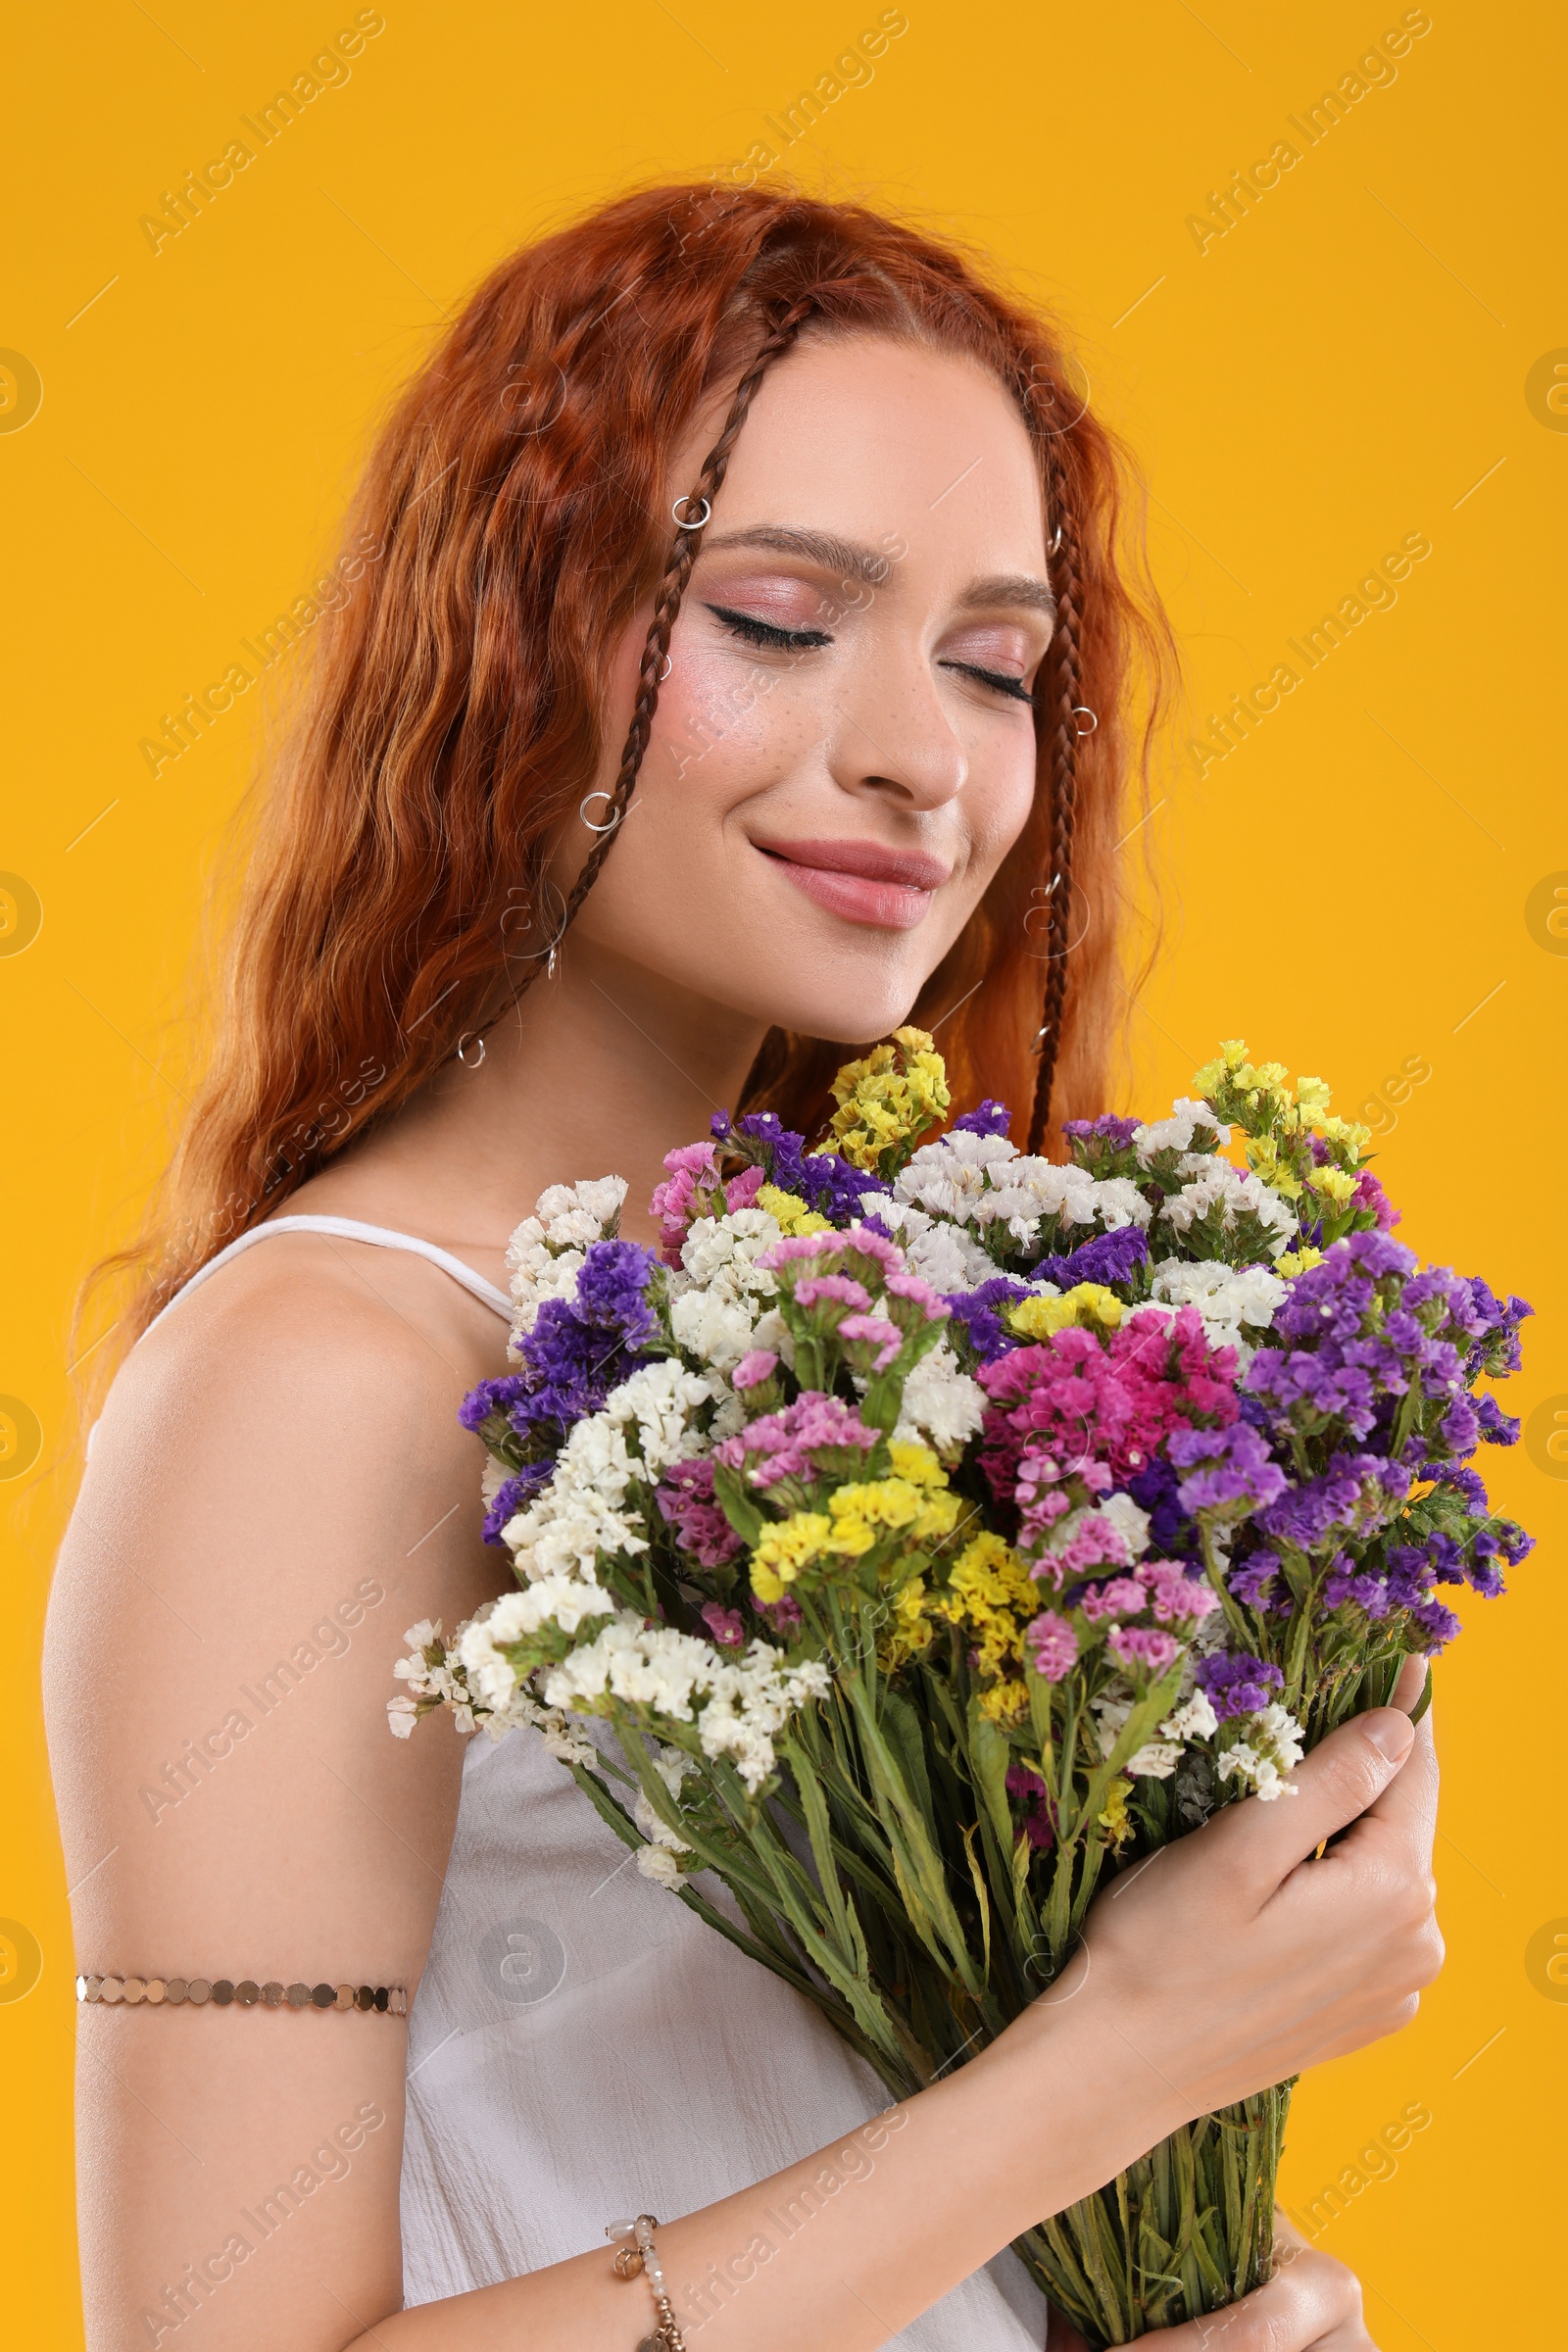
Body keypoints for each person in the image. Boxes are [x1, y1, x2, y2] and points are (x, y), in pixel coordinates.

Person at [45, 184, 1440, 2352]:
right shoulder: (322, 1374)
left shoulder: (881, 1355)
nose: (918, 760)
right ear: (509, 634)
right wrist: (1110, 2065)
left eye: (993, 665)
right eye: (780, 622)